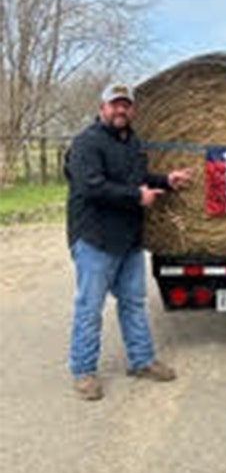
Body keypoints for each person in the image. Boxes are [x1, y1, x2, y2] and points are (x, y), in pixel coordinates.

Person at [64, 83, 194, 401]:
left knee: (134, 303)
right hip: (95, 239)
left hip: (128, 239)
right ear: (102, 108)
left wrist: (166, 180)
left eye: (126, 105)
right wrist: (137, 196)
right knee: (89, 308)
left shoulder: (132, 142)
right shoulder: (86, 143)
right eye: (114, 104)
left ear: (132, 109)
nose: (121, 110)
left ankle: (141, 360)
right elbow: (92, 187)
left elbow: (136, 177)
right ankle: (83, 372)